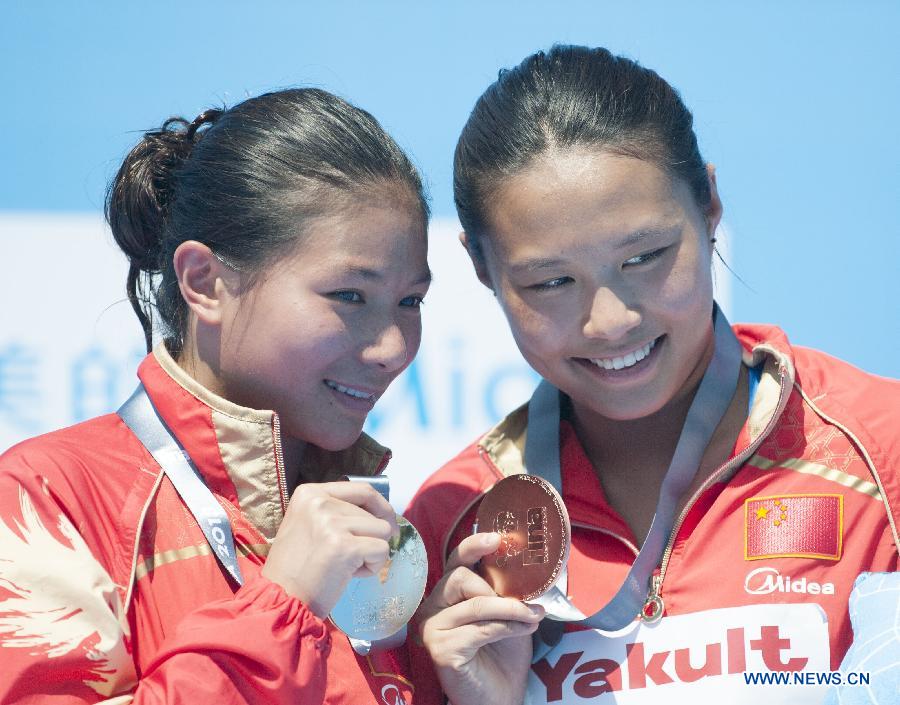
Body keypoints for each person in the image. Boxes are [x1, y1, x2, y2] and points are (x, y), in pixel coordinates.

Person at [404, 45, 900, 705]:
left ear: (710, 205)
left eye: (645, 257)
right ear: (483, 270)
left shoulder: (880, 448)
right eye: (550, 281)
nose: (608, 320)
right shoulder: (452, 524)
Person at [0, 88, 431, 703]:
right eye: (349, 296)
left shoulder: (372, 524)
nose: (392, 347)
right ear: (205, 282)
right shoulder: (50, 497)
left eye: (410, 301)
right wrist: (280, 610)